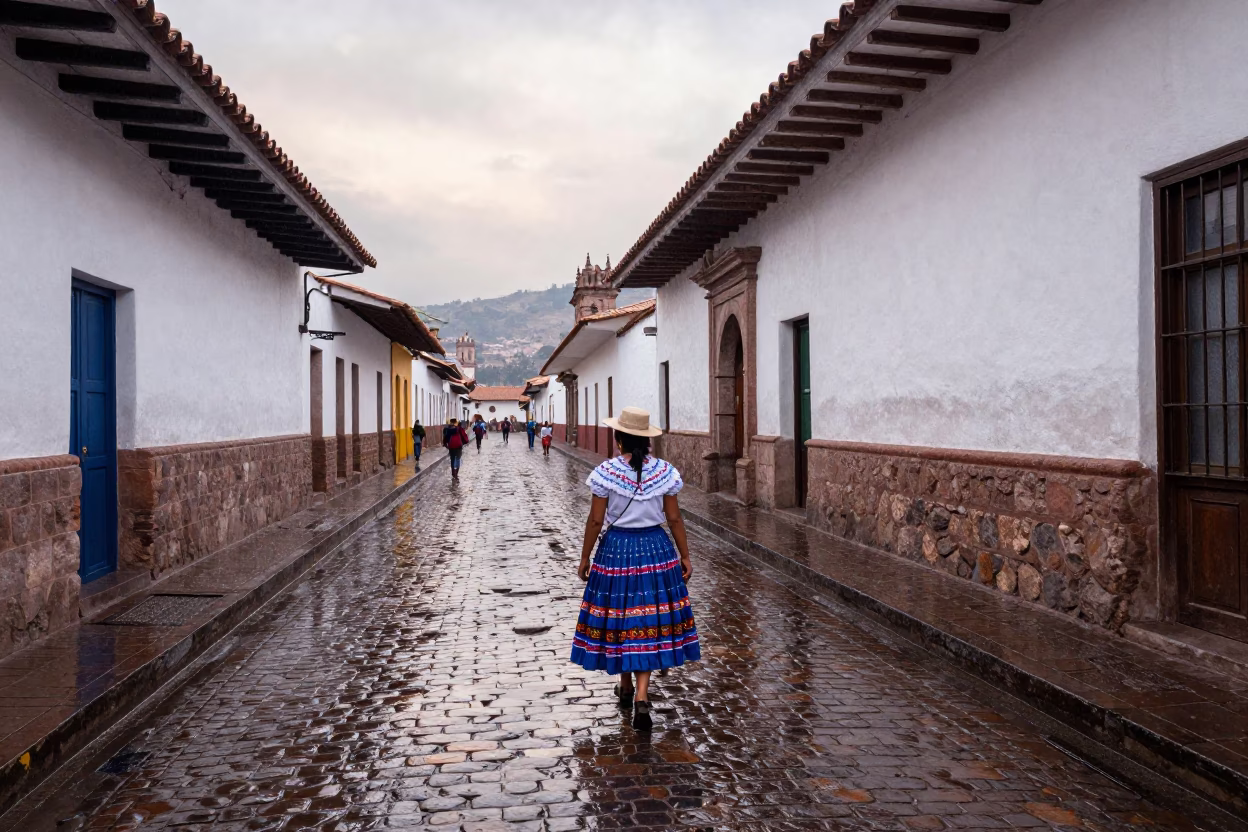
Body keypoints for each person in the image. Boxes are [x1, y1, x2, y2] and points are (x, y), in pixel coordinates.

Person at [570, 406, 699, 731]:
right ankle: (640, 694)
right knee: (647, 619)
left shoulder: (607, 473)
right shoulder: (664, 472)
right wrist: (685, 555)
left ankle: (626, 686)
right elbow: (674, 519)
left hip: (616, 551)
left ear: (618, 440)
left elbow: (596, 520)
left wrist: (585, 557)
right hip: (656, 551)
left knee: (620, 615)